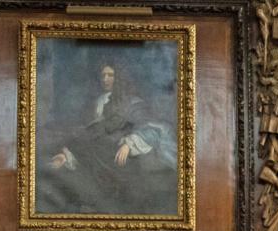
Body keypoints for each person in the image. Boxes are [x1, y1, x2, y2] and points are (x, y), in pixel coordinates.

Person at [39, 62, 178, 215]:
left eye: (110, 75)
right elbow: (88, 135)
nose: (105, 79)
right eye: (103, 75)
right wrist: (66, 156)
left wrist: (129, 144)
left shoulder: (132, 103)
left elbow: (150, 126)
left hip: (121, 161)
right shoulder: (97, 103)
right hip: (96, 160)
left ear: (118, 78)